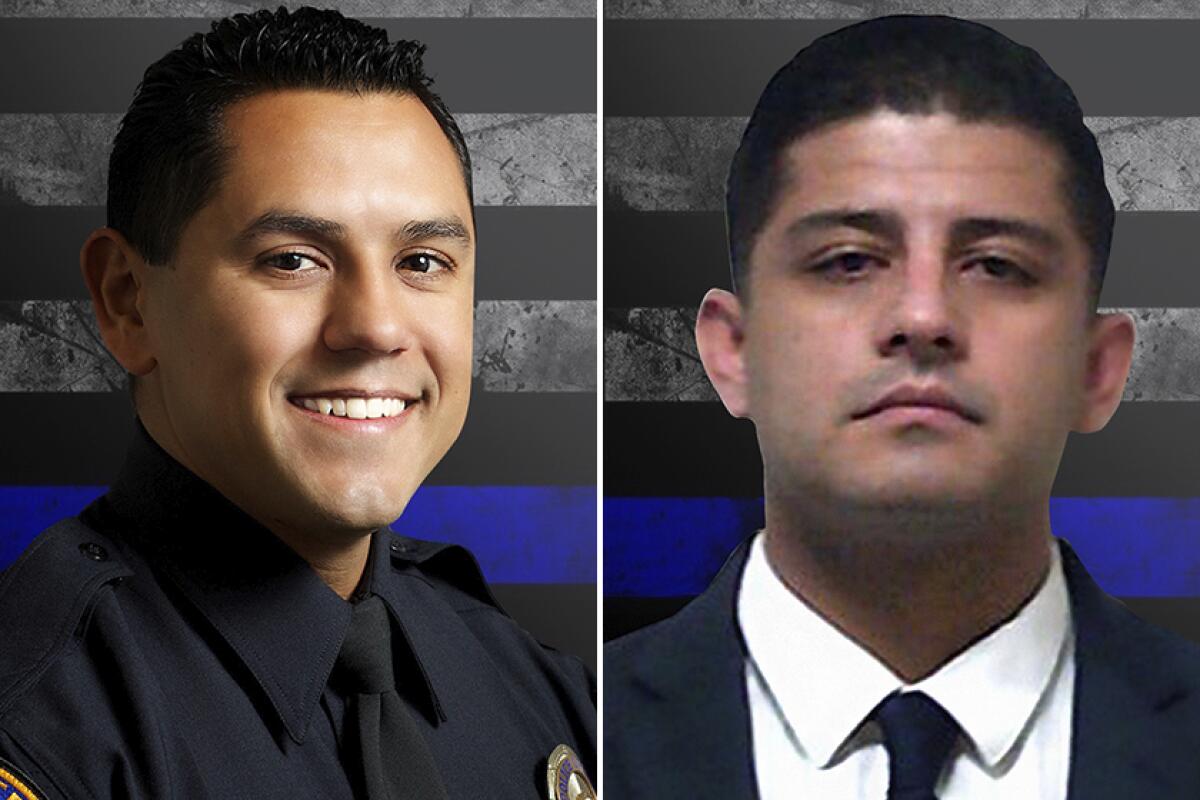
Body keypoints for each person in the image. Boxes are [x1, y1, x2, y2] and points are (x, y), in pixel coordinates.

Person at [0, 8, 593, 799]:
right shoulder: (43, 728)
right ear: (128, 302)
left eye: (422, 260)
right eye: (293, 260)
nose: (377, 327)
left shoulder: (540, 689)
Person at [605, 14, 1200, 800]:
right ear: (731, 352)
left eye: (995, 265)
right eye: (848, 260)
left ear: (1097, 368)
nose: (923, 317)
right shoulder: (559, 728)